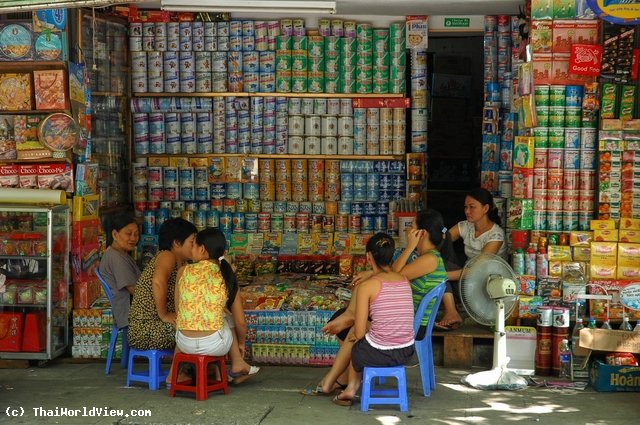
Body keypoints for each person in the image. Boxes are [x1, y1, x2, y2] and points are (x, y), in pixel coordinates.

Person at [305, 209, 450, 396]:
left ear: (422, 233)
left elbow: (396, 276)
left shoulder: (430, 259)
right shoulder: (423, 257)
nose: (407, 230)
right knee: (350, 314)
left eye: (411, 227)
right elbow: (391, 275)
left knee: (352, 331)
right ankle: (338, 377)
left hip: (409, 324)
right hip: (404, 320)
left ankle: (338, 380)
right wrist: (372, 273)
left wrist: (407, 247)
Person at [331, 233, 415, 407]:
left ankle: (351, 388)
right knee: (364, 337)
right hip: (406, 351)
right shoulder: (405, 281)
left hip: (379, 354)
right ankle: (340, 382)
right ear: (391, 255)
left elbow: (360, 332)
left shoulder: (367, 286)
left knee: (356, 342)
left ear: (368, 257)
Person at [174, 228, 259, 382]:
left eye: (193, 245)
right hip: (214, 344)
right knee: (227, 317)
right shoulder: (226, 274)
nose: (191, 249)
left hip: (183, 343)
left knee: (208, 317)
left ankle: (221, 373)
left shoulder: (183, 271)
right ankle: (237, 362)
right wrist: (240, 342)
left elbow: (179, 309)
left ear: (202, 249)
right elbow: (240, 322)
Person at [439, 188, 508, 329]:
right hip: (466, 279)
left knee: (442, 272)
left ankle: (453, 312)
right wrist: (441, 229)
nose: (467, 211)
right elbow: (443, 236)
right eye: (465, 207)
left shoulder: (496, 235)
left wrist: (441, 276)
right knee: (441, 261)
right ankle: (452, 313)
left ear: (485, 208)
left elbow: (476, 271)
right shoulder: (466, 226)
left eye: (472, 207)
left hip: (486, 285)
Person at [128, 217, 197, 354]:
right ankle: (180, 371)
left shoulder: (182, 263)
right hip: (146, 329)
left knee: (199, 328)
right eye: (192, 242)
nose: (195, 246)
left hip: (158, 325)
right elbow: (158, 282)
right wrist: (164, 314)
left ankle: (189, 369)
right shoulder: (167, 255)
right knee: (194, 333)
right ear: (177, 243)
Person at [98, 214, 141, 330]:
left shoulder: (120, 253)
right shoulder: (116, 257)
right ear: (115, 234)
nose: (133, 238)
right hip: (128, 313)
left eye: (136, 234)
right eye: (128, 234)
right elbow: (134, 290)